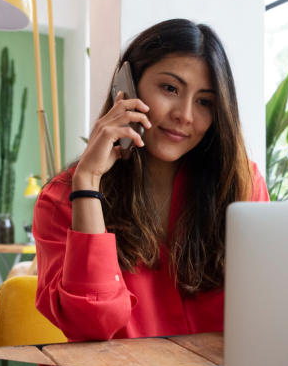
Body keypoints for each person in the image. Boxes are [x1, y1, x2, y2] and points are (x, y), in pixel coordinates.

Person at [34, 19, 269, 342]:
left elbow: (266, 313)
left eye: (205, 102)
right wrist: (88, 182)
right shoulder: (63, 198)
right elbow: (91, 324)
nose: (185, 115)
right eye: (170, 88)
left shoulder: (241, 184)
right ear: (126, 87)